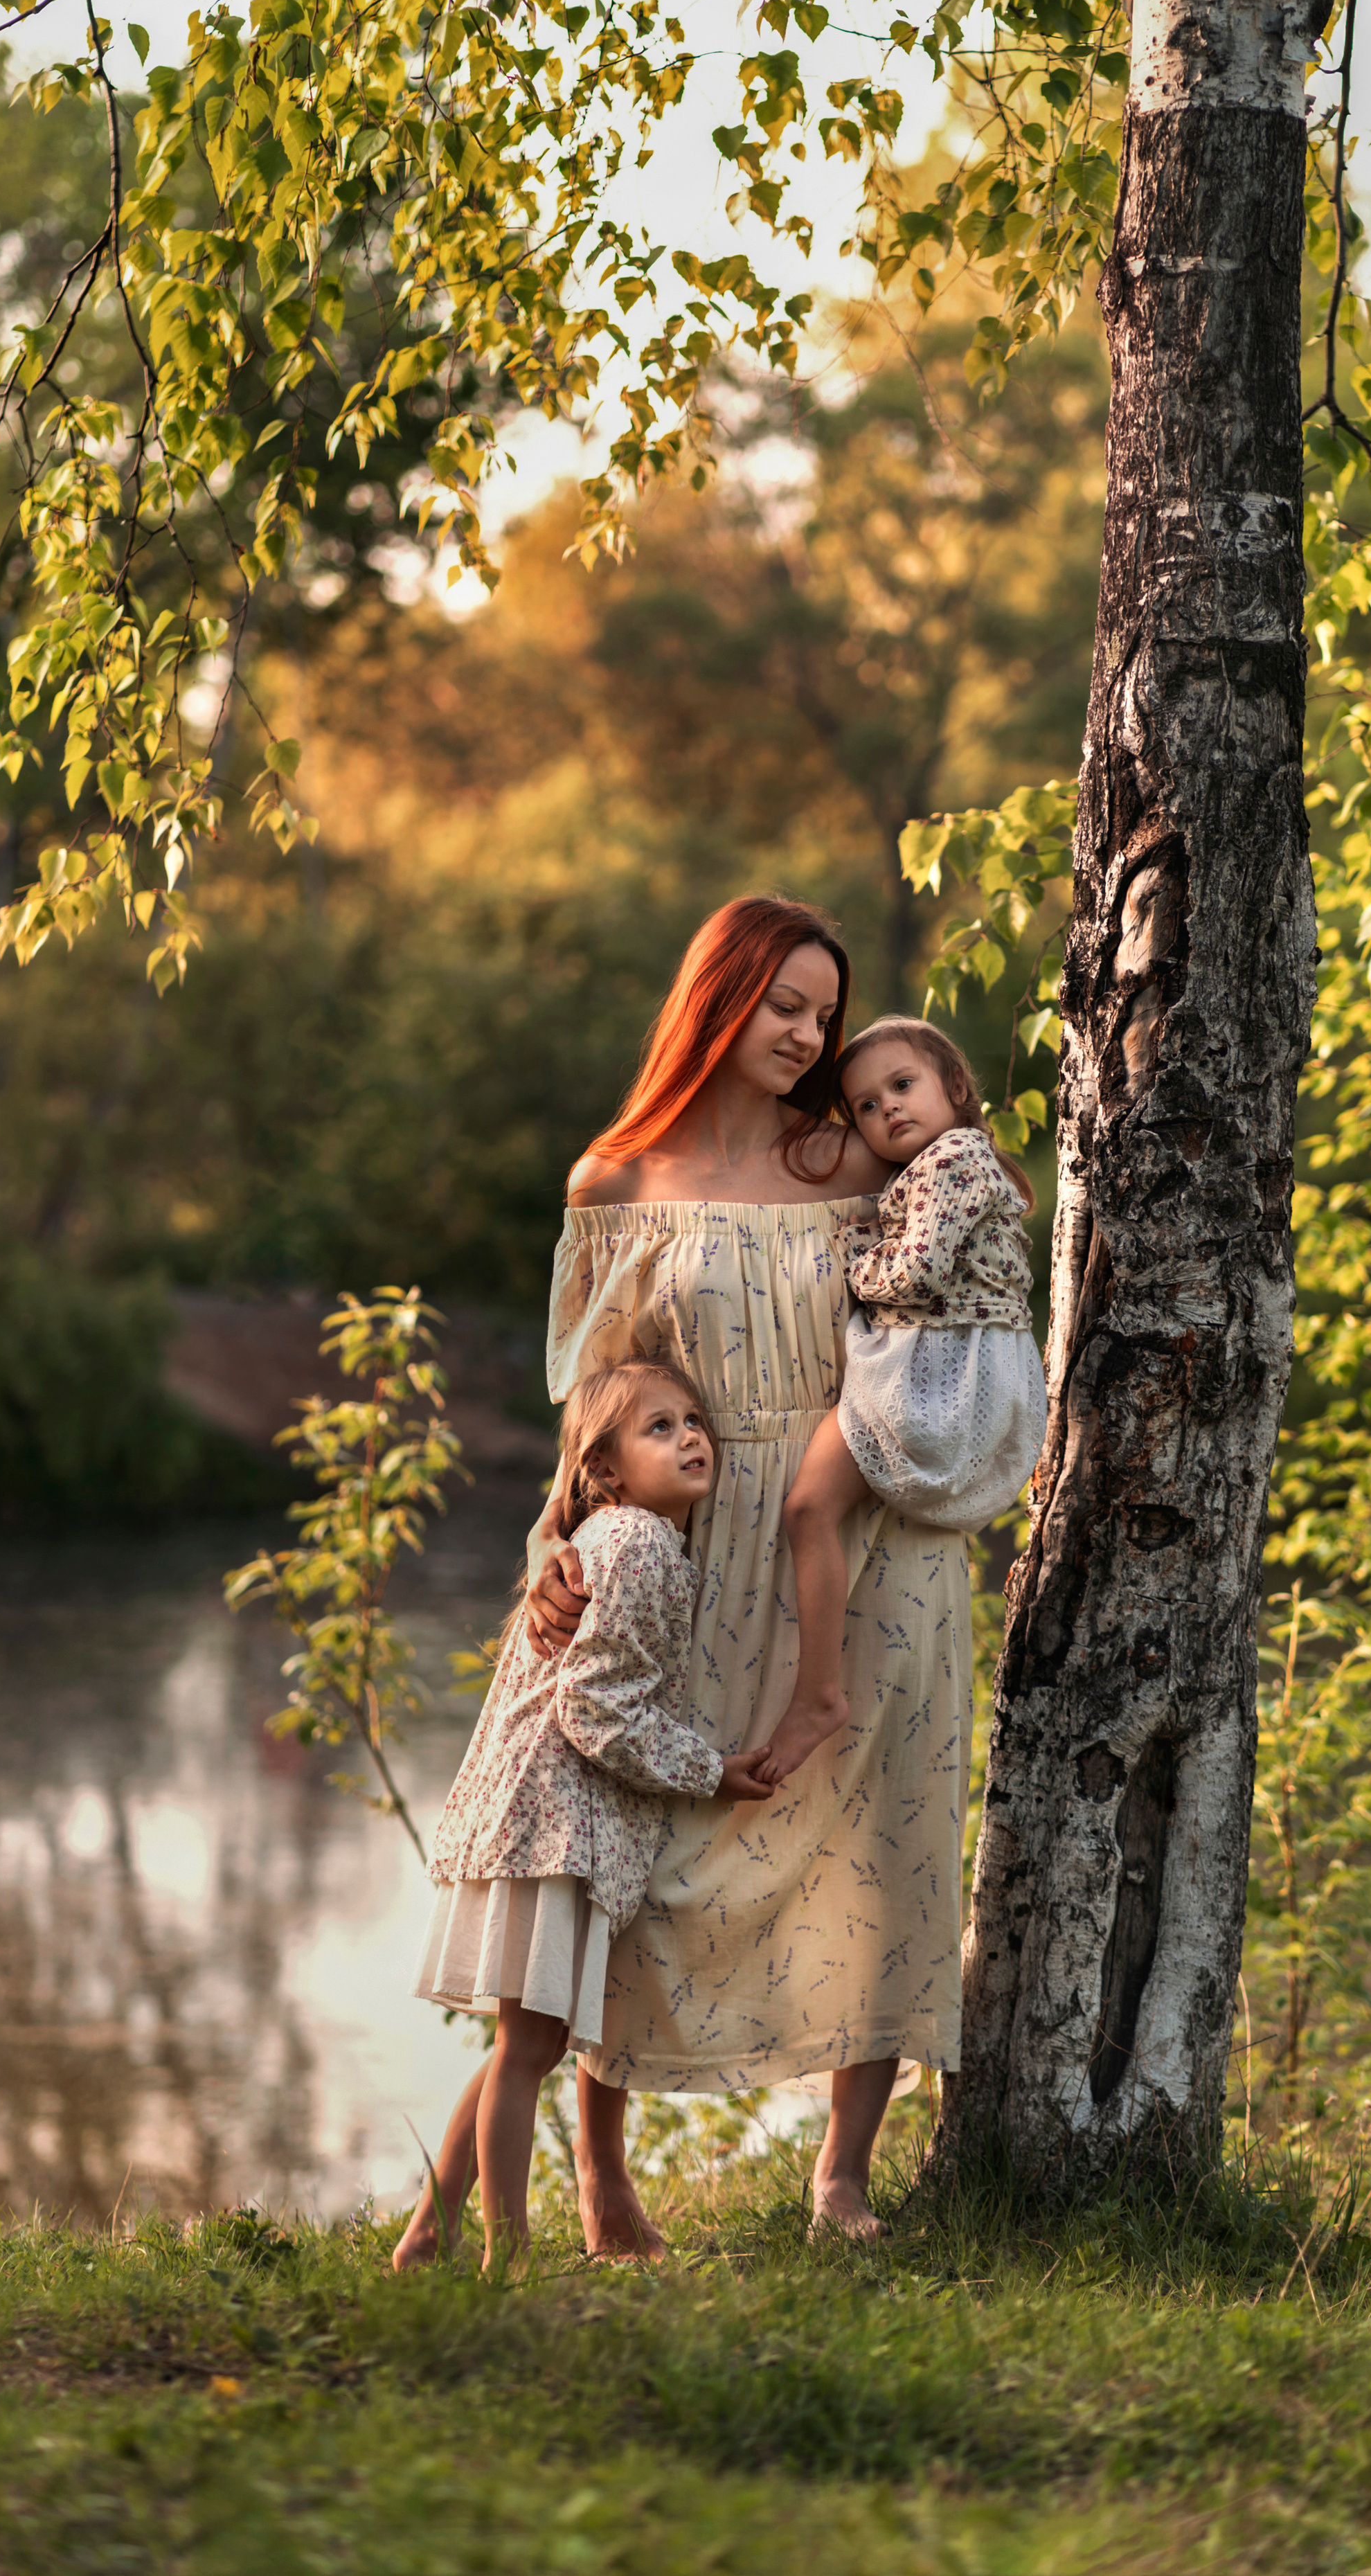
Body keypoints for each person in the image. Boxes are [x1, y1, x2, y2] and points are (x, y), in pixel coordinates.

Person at [527, 896, 974, 2247]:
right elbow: (593, 1398)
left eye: (823, 1013)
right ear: (715, 993)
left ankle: (840, 2172)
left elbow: (965, 1258)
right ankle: (602, 2178)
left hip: (874, 1538)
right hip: (698, 1542)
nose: (806, 1034)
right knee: (645, 1847)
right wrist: (559, 1542)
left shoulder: (850, 1158)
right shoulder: (618, 1177)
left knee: (879, 1854)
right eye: (784, 1003)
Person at [393, 1357, 775, 2272]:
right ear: (603, 1470)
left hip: (540, 1811)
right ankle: (507, 2257)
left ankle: (427, 2234)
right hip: (550, 1819)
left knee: (529, 2040)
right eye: (659, 1427)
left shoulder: (621, 1537)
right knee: (527, 2047)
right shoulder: (640, 1545)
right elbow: (595, 1709)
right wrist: (708, 1771)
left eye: (693, 1419)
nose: (690, 1435)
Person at [763, 1019, 1047, 1789]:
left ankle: (819, 1694)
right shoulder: (940, 1166)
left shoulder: (954, 1157)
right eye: (862, 1105)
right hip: (955, 1360)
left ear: (954, 1088)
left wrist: (853, 1262)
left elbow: (915, 1271)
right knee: (821, 1513)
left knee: (807, 1510)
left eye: (902, 1086)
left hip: (942, 1369)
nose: (885, 1109)